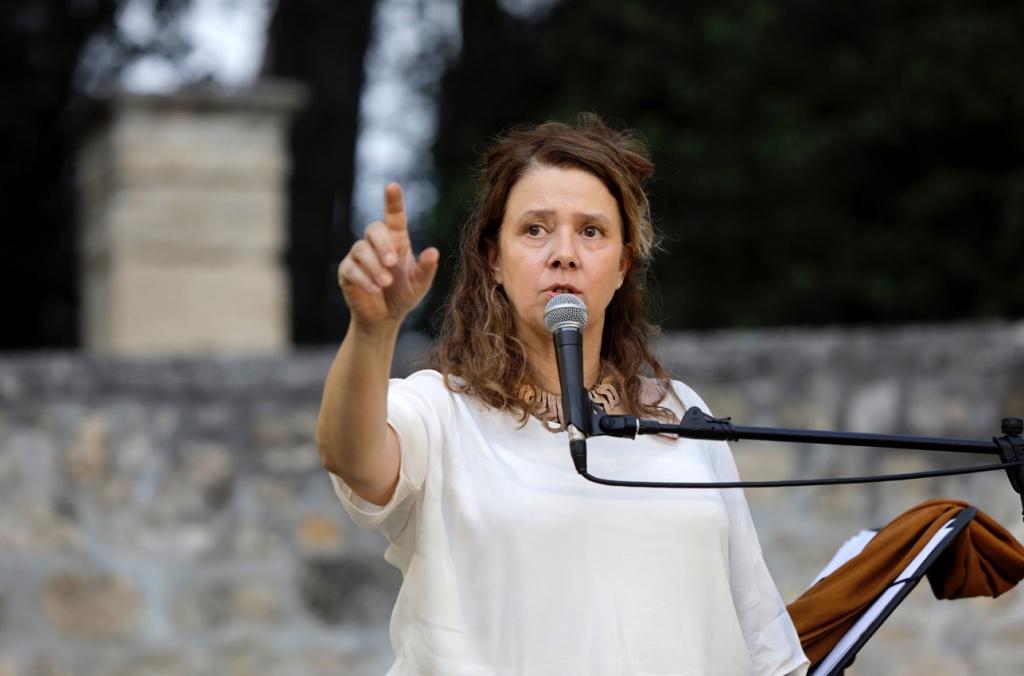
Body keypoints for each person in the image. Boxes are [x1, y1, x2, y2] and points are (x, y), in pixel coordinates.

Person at [317, 114, 809, 675]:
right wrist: (373, 330)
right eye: (535, 229)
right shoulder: (441, 411)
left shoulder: (675, 413)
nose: (564, 253)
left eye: (592, 231)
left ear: (623, 265)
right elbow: (350, 456)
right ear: (493, 260)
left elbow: (761, 635)